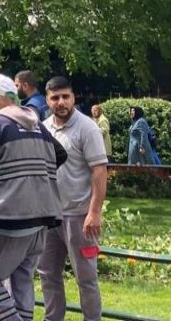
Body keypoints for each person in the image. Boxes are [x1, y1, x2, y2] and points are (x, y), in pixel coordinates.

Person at [0, 75, 66, 321]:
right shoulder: (37, 124)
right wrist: (34, 178)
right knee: (22, 278)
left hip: (7, 216)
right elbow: (60, 154)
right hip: (41, 216)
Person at [38, 77, 108, 321]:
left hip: (80, 217)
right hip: (50, 218)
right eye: (55, 97)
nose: (61, 102)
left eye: (65, 96)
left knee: (86, 278)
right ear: (47, 99)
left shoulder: (87, 128)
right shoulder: (43, 128)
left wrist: (94, 212)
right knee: (48, 275)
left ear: (73, 97)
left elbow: (99, 170)